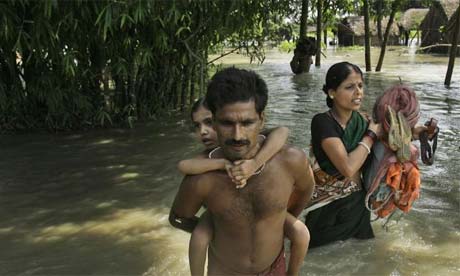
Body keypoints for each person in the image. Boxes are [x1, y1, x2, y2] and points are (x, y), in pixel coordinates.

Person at [170, 67, 315, 275]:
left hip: (274, 269)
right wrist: (216, 229)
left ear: (262, 120)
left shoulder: (290, 161)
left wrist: (279, 220)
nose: (238, 135)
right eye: (227, 123)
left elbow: (305, 191)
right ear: (215, 122)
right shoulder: (202, 179)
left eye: (247, 123)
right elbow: (178, 217)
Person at [304, 61, 382, 248]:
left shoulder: (362, 121)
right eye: (349, 87)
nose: (358, 92)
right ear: (332, 92)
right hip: (327, 210)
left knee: (363, 258)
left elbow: (391, 137)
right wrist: (371, 135)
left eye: (360, 86)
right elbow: (347, 168)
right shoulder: (322, 122)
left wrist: (419, 132)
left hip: (357, 205)